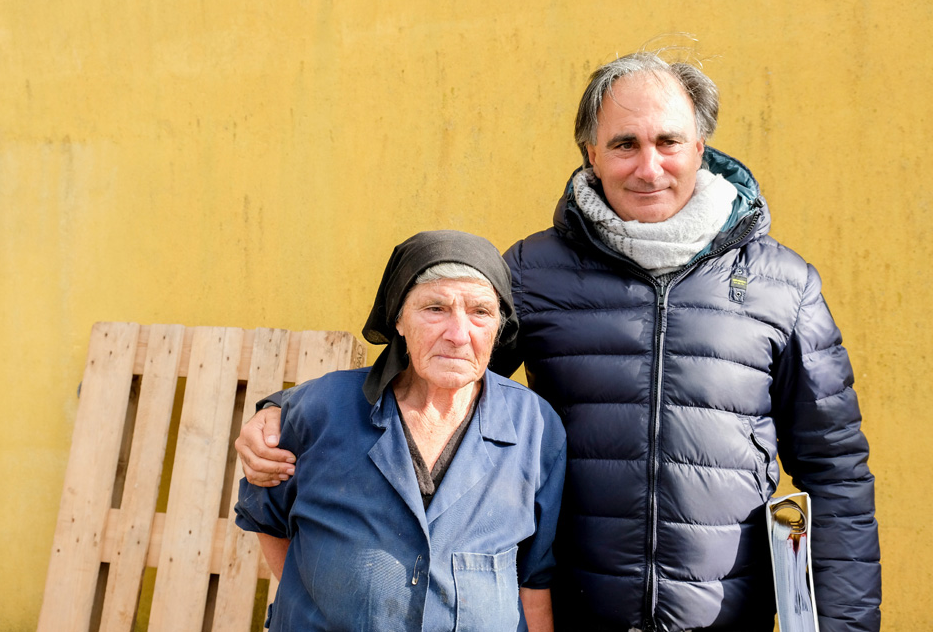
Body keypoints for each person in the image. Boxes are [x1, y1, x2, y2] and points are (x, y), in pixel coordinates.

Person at [238, 52, 880, 631]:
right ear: (589, 153)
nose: (649, 166)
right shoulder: (535, 273)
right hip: (572, 610)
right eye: (624, 143)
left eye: (669, 141)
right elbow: (428, 378)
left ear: (701, 145)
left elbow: (836, 471)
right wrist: (280, 415)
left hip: (725, 616)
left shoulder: (782, 285)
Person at [234, 229, 566, 631]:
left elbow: (533, 578)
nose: (459, 334)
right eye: (435, 309)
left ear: (498, 327)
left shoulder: (534, 426)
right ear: (398, 320)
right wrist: (321, 603)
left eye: (480, 312)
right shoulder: (323, 409)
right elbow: (266, 518)